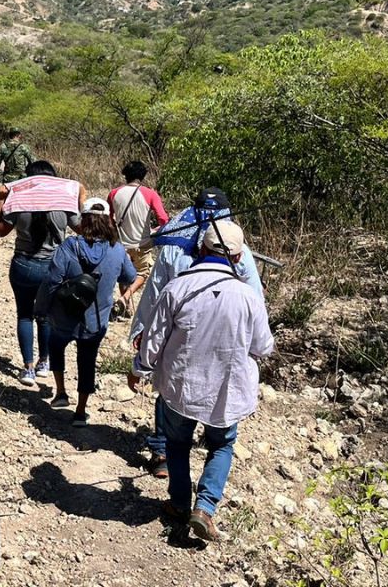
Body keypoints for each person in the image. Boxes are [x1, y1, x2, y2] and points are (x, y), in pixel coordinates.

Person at [129, 220, 275, 542]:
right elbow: (263, 346)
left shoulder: (177, 288)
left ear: (200, 249)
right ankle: (205, 509)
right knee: (221, 445)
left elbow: (153, 342)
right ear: (238, 259)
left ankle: (180, 504)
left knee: (178, 444)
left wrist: (140, 368)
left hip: (180, 387)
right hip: (226, 392)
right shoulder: (249, 297)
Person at [128, 187, 263, 478]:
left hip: (178, 334)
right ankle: (201, 460)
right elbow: (255, 300)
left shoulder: (174, 247)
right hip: (224, 338)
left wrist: (142, 334)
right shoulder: (239, 252)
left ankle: (164, 453)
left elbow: (155, 293)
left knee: (169, 390)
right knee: (218, 393)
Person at [40, 198, 144, 427]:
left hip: (65, 316)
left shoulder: (70, 246)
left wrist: (43, 308)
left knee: (56, 345)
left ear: (83, 219)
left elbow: (52, 280)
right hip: (95, 320)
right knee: (87, 361)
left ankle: (60, 393)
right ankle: (80, 411)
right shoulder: (117, 250)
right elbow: (130, 277)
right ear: (108, 221)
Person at [0, 160, 81, 387]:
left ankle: (28, 368)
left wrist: (0, 200)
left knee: (24, 315)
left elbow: (0, 231)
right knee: (46, 317)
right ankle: (44, 362)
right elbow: (82, 228)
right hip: (53, 268)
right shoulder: (64, 201)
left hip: (23, 265)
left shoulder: (19, 200)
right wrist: (80, 198)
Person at [108, 161, 170, 298]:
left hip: (121, 243)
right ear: (142, 176)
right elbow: (163, 219)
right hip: (143, 243)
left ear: (126, 176)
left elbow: (108, 218)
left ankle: (126, 305)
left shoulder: (114, 193)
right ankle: (126, 297)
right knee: (142, 273)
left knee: (124, 275)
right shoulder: (150, 194)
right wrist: (156, 230)